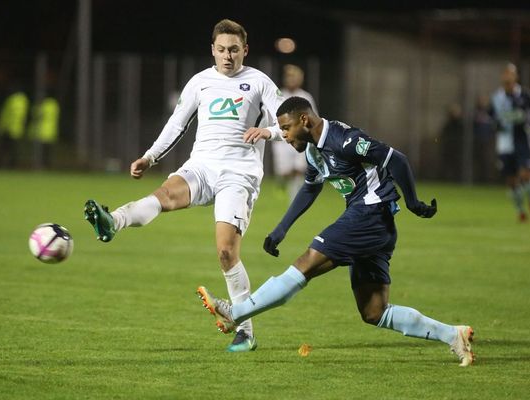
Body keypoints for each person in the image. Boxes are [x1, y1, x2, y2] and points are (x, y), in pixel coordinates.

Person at [197, 96, 475, 367]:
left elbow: (396, 159)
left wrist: (412, 202)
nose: (283, 135)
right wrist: (281, 229)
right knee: (374, 311)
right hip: (374, 226)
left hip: (370, 214)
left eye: (285, 128)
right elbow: (310, 187)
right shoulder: (312, 150)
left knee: (306, 264)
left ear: (304, 120)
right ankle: (453, 334)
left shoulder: (345, 140)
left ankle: (236, 313)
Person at [84, 19, 285, 352]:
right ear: (213, 50)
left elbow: (284, 121)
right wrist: (150, 157)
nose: (227, 56)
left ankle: (246, 332)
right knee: (163, 195)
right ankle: (112, 222)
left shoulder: (259, 82)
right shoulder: (200, 82)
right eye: (221, 50)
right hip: (202, 165)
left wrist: (269, 132)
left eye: (234, 50)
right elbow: (177, 123)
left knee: (225, 251)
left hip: (239, 173)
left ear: (245, 51)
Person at [489, 63, 530, 222]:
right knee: (512, 181)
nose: (507, 77)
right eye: (505, 73)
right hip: (505, 143)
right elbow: (491, 116)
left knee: (525, 174)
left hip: (523, 139)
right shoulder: (496, 98)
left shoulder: (526, 95)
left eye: (510, 74)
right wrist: (495, 124)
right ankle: (520, 211)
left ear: (515, 77)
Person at [272, 64, 318, 199]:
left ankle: (294, 198)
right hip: (283, 139)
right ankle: (281, 181)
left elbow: (313, 118)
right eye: (289, 77)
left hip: (301, 138)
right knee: (285, 171)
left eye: (294, 77)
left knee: (298, 169)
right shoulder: (279, 94)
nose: (291, 80)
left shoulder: (305, 97)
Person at [0, 87, 30, 168]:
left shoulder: (11, 100)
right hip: (16, 128)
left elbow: (5, 114)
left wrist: (2, 126)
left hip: (8, 128)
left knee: (4, 148)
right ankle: (11, 165)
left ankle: (0, 164)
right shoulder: (24, 101)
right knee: (12, 149)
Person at [29, 96, 60, 169]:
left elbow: (36, 115)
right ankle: (47, 166)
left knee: (40, 151)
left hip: (41, 131)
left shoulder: (42, 106)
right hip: (51, 131)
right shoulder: (55, 105)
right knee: (47, 151)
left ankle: (39, 165)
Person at [472, 95, 496, 183]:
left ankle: (487, 179)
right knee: (477, 161)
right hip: (478, 141)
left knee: (487, 161)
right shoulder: (476, 112)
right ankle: (477, 179)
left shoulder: (490, 112)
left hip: (487, 141)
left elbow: (494, 126)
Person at [439, 103, 463, 182]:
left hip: (457, 148)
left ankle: (458, 180)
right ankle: (445, 179)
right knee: (447, 165)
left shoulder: (461, 125)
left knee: (457, 165)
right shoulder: (448, 125)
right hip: (449, 148)